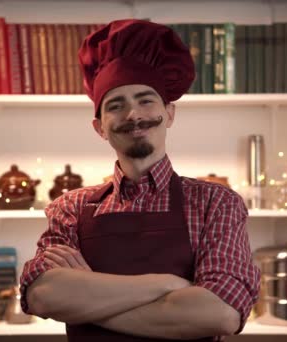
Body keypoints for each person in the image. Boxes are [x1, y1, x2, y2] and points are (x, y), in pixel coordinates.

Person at [20, 19, 260, 341]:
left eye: (145, 100)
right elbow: (42, 296)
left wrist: (87, 292)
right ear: (99, 127)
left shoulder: (215, 202)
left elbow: (221, 313)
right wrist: (167, 285)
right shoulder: (71, 208)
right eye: (116, 106)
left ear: (169, 113)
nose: (133, 115)